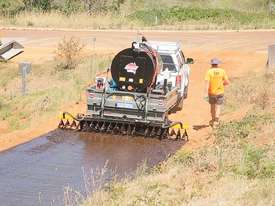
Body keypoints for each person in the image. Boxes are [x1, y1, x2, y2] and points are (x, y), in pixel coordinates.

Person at [204, 58, 230, 127]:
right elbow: (227, 82)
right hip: (220, 92)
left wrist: (205, 93)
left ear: (211, 64)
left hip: (211, 93)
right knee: (218, 107)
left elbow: (207, 83)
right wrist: (222, 84)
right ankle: (216, 121)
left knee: (212, 107)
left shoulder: (209, 72)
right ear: (218, 64)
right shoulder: (222, 71)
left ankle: (212, 120)